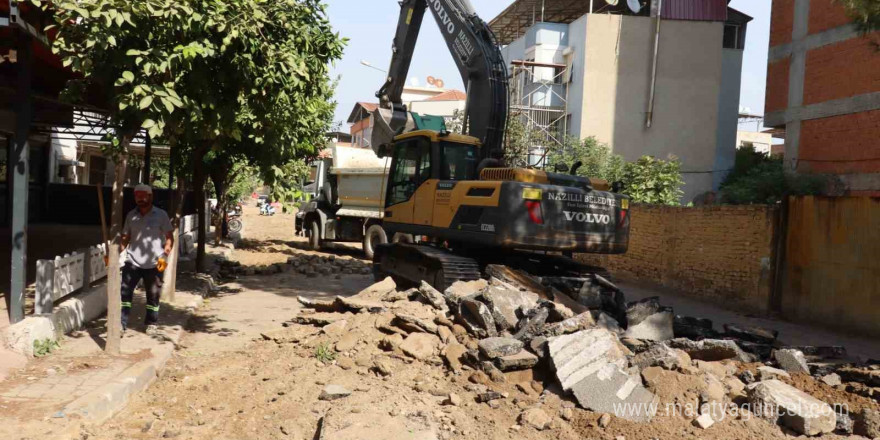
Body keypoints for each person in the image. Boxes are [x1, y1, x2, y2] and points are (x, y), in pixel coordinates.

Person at [119, 184, 174, 334]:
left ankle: (151, 322)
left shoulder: (161, 215)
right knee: (125, 293)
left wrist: (165, 255)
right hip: (132, 262)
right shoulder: (131, 215)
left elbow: (169, 237)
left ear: (150, 197)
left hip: (155, 263)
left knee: (153, 295)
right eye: (137, 196)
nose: (140, 199)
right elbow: (125, 238)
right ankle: (121, 323)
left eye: (143, 196)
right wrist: (114, 253)